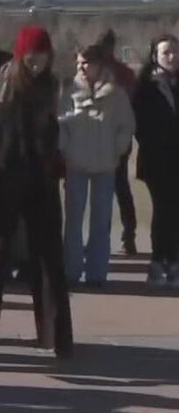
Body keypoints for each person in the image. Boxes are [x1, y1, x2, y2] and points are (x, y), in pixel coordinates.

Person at [0, 25, 73, 358]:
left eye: (42, 56)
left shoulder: (52, 87)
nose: (37, 62)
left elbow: (59, 130)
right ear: (19, 54)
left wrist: (59, 164)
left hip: (41, 178)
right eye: (31, 56)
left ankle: (55, 331)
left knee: (48, 256)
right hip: (3, 176)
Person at [59, 44, 134, 288]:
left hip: (105, 164)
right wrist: (65, 150)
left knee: (101, 220)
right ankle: (71, 270)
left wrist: (117, 150)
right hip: (76, 164)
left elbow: (126, 126)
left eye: (87, 63)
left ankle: (97, 273)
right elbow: (59, 124)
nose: (81, 67)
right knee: (73, 219)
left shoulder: (116, 94)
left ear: (99, 65)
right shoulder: (68, 91)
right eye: (79, 62)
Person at [131, 34, 179, 288]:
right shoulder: (146, 86)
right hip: (157, 159)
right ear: (155, 56)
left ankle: (174, 261)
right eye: (166, 52)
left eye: (175, 52)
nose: (172, 57)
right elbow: (140, 125)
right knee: (163, 210)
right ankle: (159, 260)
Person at [98, 30, 139, 255]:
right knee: (120, 188)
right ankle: (127, 236)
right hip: (113, 136)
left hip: (110, 137)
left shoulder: (110, 72)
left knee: (113, 188)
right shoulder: (124, 73)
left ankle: (124, 235)